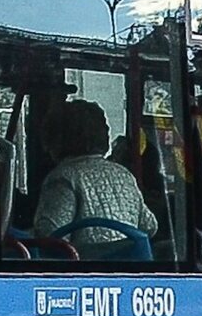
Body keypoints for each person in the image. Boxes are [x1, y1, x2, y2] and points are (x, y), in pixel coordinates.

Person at [33, 99, 158, 252]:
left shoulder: (63, 178)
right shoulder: (123, 174)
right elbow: (150, 226)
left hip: (83, 270)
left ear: (56, 138)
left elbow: (50, 237)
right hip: (128, 266)